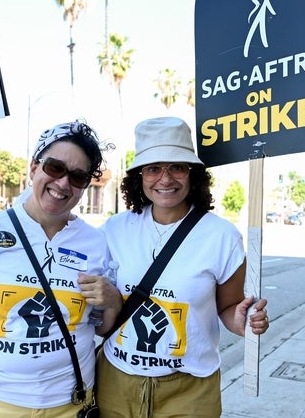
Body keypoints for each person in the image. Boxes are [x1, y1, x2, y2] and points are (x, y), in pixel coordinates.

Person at [0, 120, 122, 417]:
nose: (64, 183)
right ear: (33, 168)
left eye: (78, 177)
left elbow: (101, 326)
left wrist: (113, 301)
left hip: (69, 403)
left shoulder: (97, 243)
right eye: (54, 167)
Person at [96, 116, 269, 418]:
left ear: (193, 174)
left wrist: (240, 322)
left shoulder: (222, 236)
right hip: (116, 382)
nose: (165, 179)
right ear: (139, 176)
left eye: (177, 167)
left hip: (190, 390)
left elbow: (228, 307)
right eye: (153, 169)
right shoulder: (113, 230)